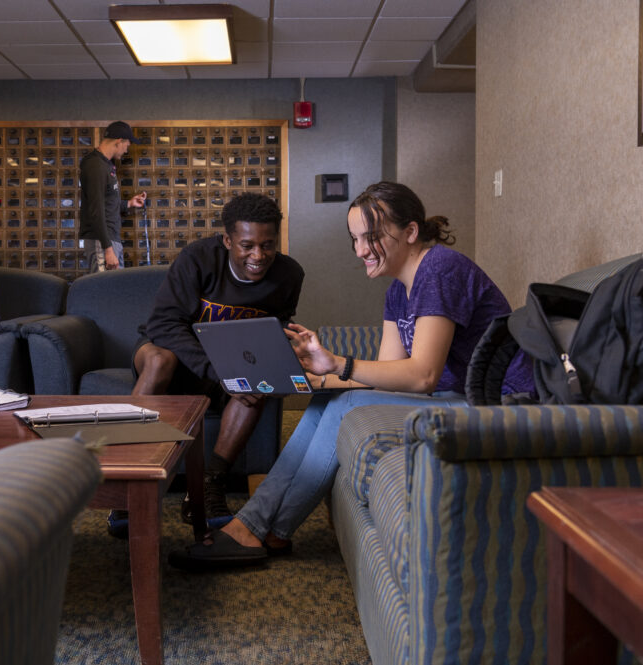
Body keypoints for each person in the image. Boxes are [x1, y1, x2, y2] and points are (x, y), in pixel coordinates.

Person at [169, 181, 533, 570]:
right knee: (330, 399)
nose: (360, 250)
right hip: (458, 393)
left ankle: (253, 525)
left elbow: (423, 375)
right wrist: (312, 376)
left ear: (410, 232)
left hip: (499, 400)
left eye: (371, 237)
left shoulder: (440, 269)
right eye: (355, 239)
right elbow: (385, 373)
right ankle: (269, 529)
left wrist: (339, 364)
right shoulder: (398, 290)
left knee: (349, 406)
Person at [123, 192, 304, 534]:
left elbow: (275, 327)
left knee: (256, 381)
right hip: (175, 353)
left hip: (231, 362)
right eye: (247, 245)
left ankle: (209, 487)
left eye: (268, 245)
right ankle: (129, 480)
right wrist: (217, 370)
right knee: (160, 361)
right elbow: (163, 325)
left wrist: (284, 356)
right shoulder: (198, 259)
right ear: (227, 240)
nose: (258, 256)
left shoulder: (290, 274)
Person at [79, 121, 147, 271]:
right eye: (127, 145)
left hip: (110, 239)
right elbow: (96, 209)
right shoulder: (95, 165)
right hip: (102, 241)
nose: (126, 150)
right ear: (119, 141)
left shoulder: (106, 164)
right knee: (104, 291)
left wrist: (128, 204)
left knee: (115, 289)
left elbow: (105, 201)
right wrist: (107, 249)